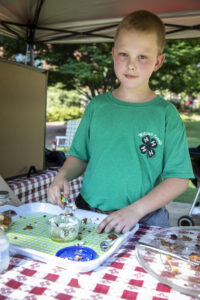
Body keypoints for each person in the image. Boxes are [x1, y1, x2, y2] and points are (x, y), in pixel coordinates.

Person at [48, 10, 194, 234]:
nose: (131, 65)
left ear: (159, 61)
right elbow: (79, 156)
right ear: (114, 54)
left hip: (144, 219)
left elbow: (178, 179)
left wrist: (135, 210)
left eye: (142, 57)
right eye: (124, 54)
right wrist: (62, 176)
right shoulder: (97, 107)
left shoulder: (166, 114)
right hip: (89, 214)